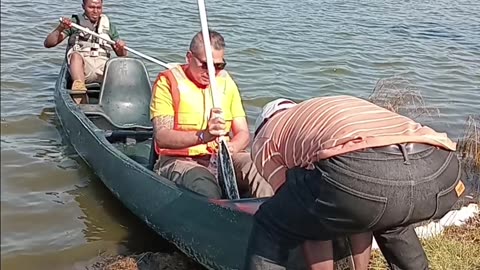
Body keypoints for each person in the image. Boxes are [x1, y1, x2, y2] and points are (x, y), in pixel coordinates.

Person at [245, 95, 465, 270]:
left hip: (368, 175)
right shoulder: (323, 108)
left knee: (276, 221)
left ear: (263, 123)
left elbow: (299, 211)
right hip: (442, 171)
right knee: (387, 215)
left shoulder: (266, 135)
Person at [149, 30, 273, 199]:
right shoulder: (167, 83)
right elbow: (162, 137)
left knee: (260, 170)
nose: (212, 72)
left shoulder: (226, 84)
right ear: (189, 57)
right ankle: (214, 219)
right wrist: (204, 135)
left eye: (219, 65)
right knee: (205, 185)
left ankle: (267, 217)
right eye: (205, 65)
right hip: (179, 160)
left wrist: (233, 147)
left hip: (221, 157)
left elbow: (243, 133)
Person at [44, 0, 127, 104]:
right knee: (75, 56)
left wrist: (121, 48)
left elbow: (122, 55)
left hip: (103, 70)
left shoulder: (109, 27)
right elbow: (48, 43)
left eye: (98, 8)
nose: (95, 11)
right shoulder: (75, 23)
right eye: (91, 7)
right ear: (83, 6)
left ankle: (114, 98)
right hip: (83, 69)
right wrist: (60, 28)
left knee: (117, 64)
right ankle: (79, 90)